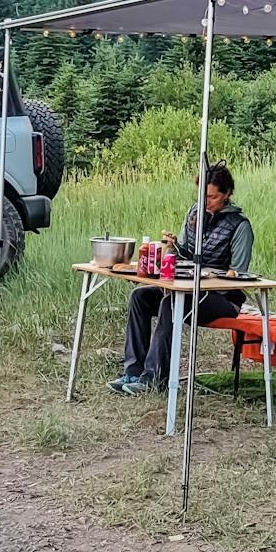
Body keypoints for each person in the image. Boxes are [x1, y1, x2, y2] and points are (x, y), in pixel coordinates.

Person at [112, 164, 255, 394]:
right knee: (140, 296)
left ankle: (153, 379)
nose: (206, 202)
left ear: (227, 193)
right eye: (202, 195)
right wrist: (173, 246)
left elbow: (237, 274)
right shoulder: (194, 213)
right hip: (190, 288)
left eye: (212, 197)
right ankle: (133, 371)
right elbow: (185, 256)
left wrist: (207, 275)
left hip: (222, 298)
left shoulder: (240, 226)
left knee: (171, 303)